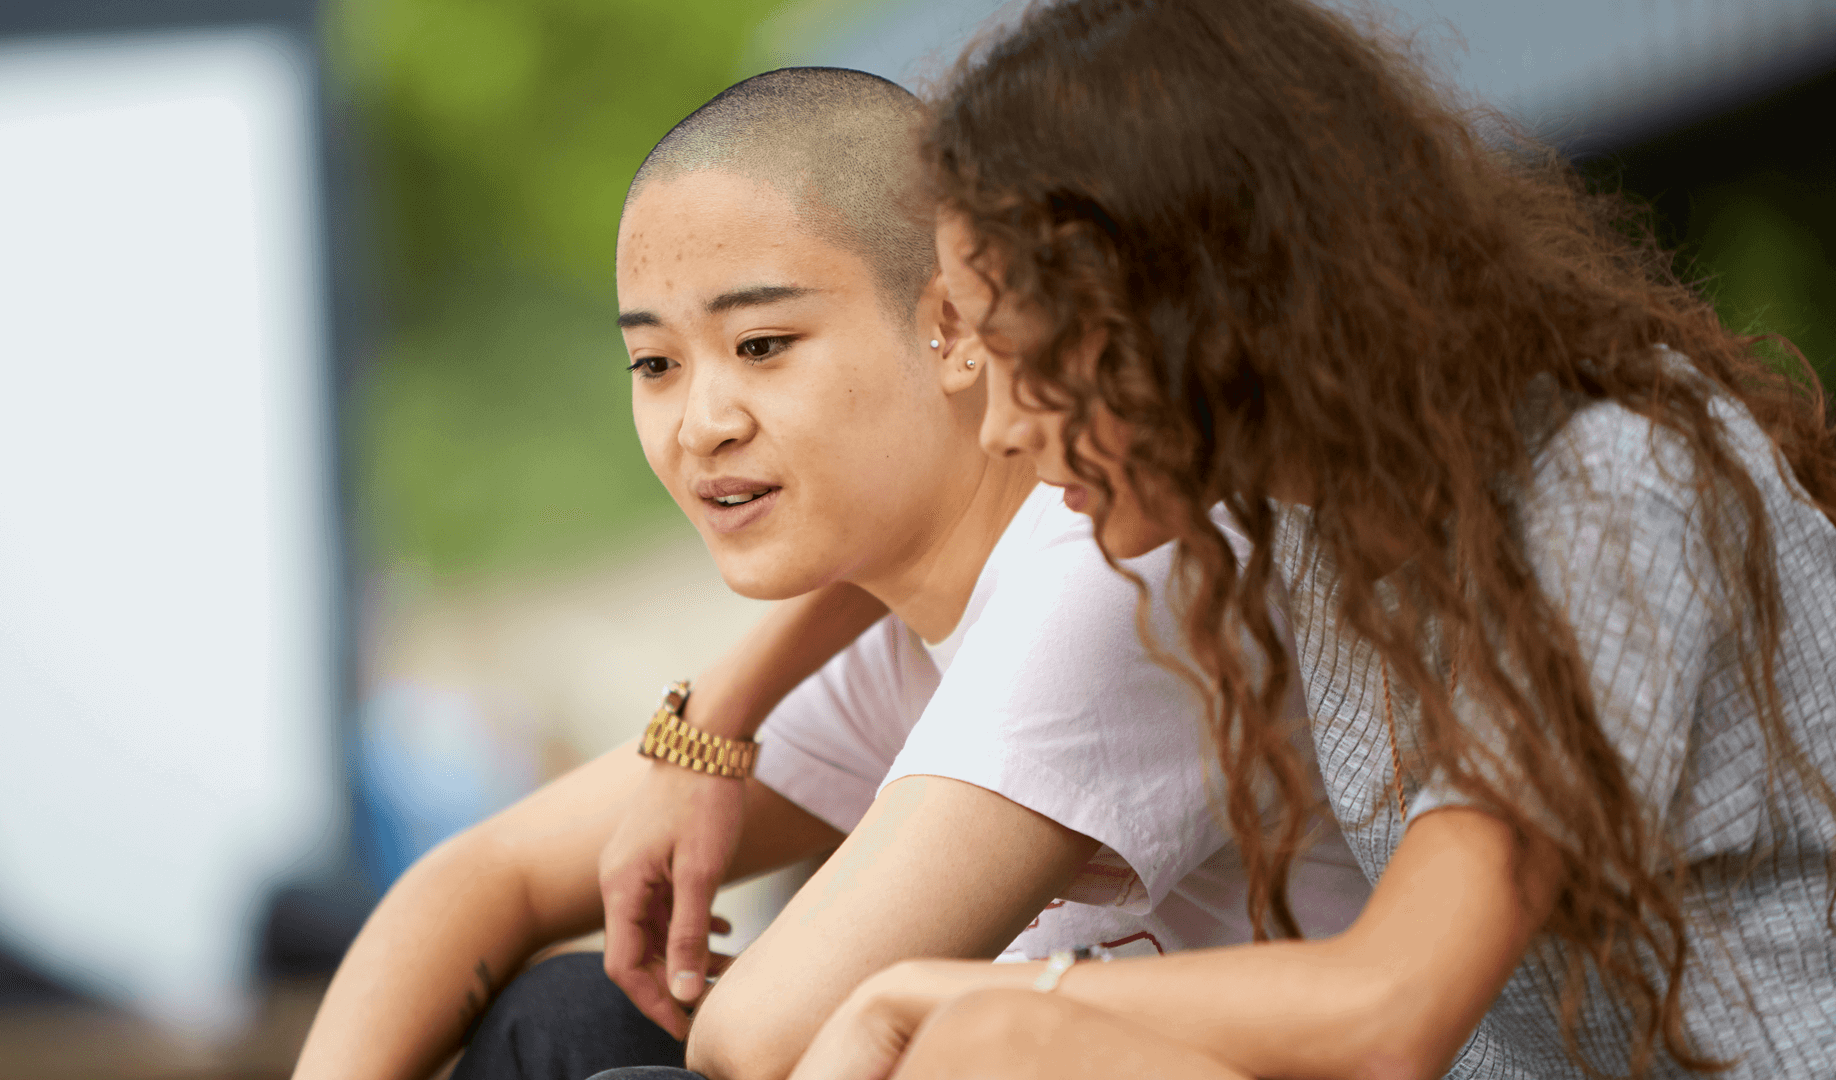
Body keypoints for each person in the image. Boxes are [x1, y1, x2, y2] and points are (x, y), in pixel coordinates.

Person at [788, 1, 1836, 1078]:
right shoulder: (1301, 497)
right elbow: (914, 515)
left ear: (1183, 308)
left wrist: (933, 995)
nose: (1000, 424)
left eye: (1020, 353)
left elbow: (1394, 1006)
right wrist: (720, 711)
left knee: (1000, 1045)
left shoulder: (1612, 485)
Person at [289, 67, 1370, 1080]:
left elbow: (765, 1034)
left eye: (763, 343)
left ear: (954, 323)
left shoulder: (1109, 566)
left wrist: (721, 709)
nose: (702, 425)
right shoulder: (892, 620)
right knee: (564, 1018)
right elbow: (477, 882)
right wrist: (707, 721)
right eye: (656, 363)